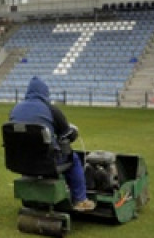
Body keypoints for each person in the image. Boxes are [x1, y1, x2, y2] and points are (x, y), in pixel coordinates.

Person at [8, 76, 95, 212]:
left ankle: (35, 198)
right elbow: (67, 134)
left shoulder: (15, 109)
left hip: (21, 162)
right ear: (45, 92)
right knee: (74, 160)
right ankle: (80, 200)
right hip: (47, 162)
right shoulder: (51, 110)